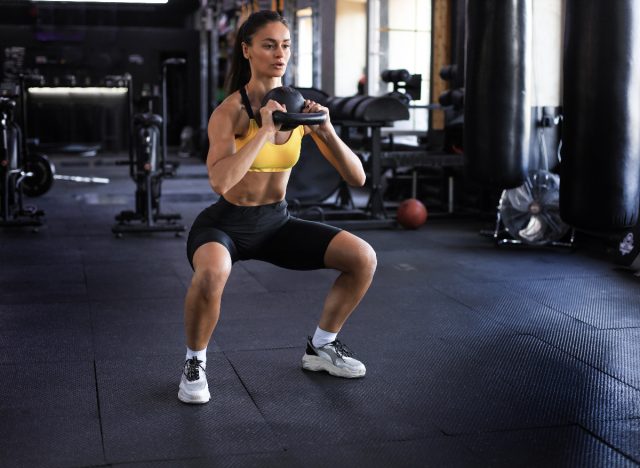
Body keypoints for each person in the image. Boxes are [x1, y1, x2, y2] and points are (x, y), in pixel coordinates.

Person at [178, 10, 377, 404]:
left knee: (363, 258)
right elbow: (220, 181)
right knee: (213, 270)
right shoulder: (229, 113)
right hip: (226, 224)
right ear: (247, 50)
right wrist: (266, 129)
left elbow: (358, 179)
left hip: (276, 221)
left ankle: (322, 347)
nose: (279, 53)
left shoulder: (301, 108)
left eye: (285, 45)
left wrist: (327, 130)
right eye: (269, 45)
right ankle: (194, 362)